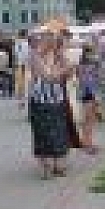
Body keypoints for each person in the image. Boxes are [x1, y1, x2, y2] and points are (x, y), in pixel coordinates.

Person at [27, 33, 74, 179]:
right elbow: (48, 77)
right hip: (40, 101)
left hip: (57, 100)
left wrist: (63, 67)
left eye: (55, 43)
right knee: (42, 133)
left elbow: (69, 74)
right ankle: (45, 166)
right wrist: (64, 70)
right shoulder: (35, 57)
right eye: (49, 42)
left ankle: (58, 164)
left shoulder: (59, 57)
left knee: (59, 132)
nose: (52, 45)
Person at [78, 43, 102, 153]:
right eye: (91, 52)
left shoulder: (91, 64)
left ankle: (87, 141)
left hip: (89, 93)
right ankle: (87, 144)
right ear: (87, 53)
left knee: (90, 120)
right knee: (88, 119)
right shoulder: (87, 65)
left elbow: (97, 80)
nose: (93, 54)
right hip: (88, 94)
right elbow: (87, 82)